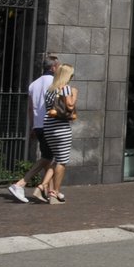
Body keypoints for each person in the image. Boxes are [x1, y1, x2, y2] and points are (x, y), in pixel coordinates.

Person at [7, 54, 57, 203]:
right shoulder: (55, 82)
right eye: (58, 67)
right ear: (54, 67)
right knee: (50, 158)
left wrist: (32, 126)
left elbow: (30, 108)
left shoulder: (33, 84)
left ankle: (50, 193)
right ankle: (21, 183)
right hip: (50, 124)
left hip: (38, 125)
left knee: (48, 158)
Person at [33, 63, 78, 204]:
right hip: (61, 128)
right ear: (67, 75)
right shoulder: (65, 88)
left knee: (56, 159)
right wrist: (74, 94)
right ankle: (55, 192)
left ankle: (42, 187)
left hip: (49, 127)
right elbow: (70, 106)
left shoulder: (50, 90)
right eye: (71, 75)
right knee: (62, 161)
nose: (72, 77)